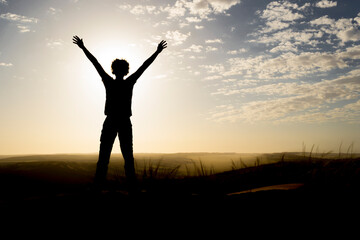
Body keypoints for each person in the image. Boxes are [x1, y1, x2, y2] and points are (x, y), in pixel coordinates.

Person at [72, 35, 167, 192]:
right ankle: (131, 188)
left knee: (106, 157)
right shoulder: (128, 82)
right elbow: (144, 66)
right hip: (121, 122)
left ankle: (99, 187)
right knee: (126, 157)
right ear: (125, 71)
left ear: (114, 70)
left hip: (114, 122)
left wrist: (83, 48)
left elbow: (96, 63)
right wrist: (157, 52)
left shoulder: (110, 82)